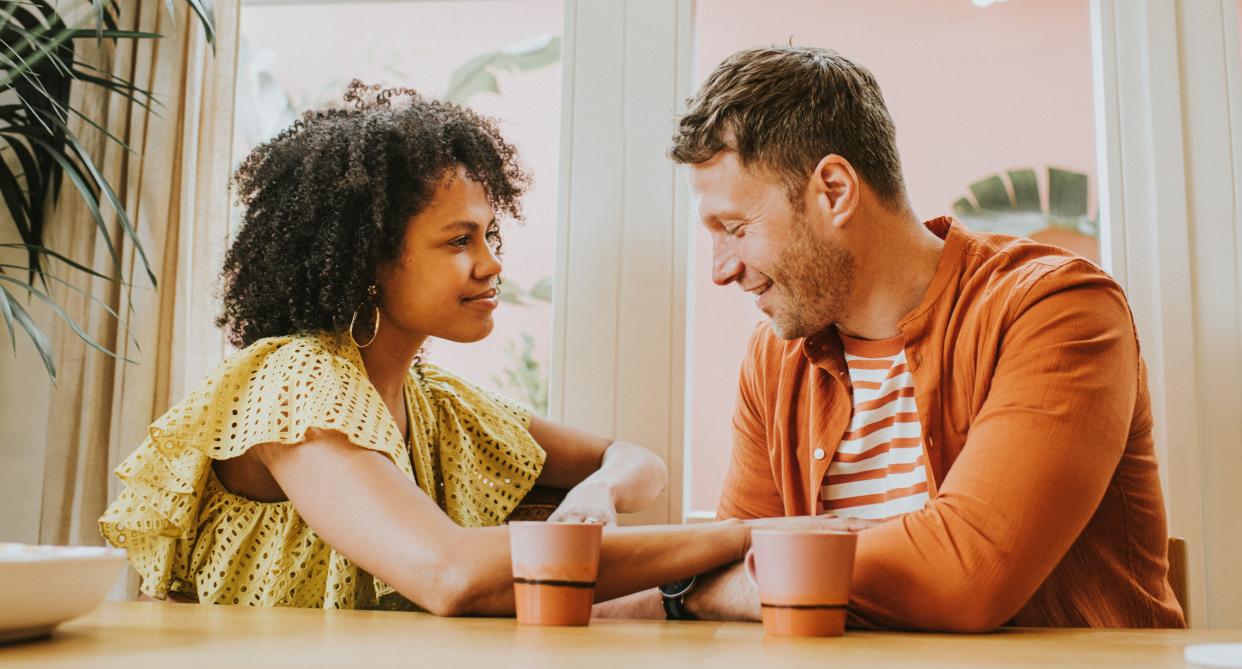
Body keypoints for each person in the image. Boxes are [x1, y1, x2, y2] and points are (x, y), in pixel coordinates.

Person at [98, 82, 757, 613]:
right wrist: (745, 536)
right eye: (459, 240)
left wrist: (602, 491)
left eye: (492, 236)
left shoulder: (435, 402)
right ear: (371, 259)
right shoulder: (296, 384)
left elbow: (636, 460)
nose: (492, 263)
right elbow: (450, 573)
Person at [595, 47, 1185, 631]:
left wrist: (699, 593)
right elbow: (725, 562)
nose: (721, 269)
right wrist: (708, 585)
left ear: (834, 190)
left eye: (735, 228)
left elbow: (964, 576)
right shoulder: (775, 358)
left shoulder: (1056, 308)